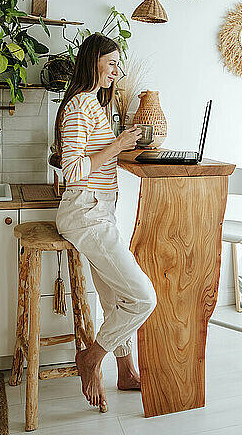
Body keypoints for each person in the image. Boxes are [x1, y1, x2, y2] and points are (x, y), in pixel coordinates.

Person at [54, 32, 157, 410]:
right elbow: (73, 170)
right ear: (93, 62)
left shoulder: (98, 105)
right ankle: (92, 357)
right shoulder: (79, 105)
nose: (117, 70)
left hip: (101, 210)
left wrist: (126, 141)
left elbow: (99, 153)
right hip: (85, 211)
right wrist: (116, 145)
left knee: (115, 297)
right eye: (111, 63)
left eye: (118, 64)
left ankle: (126, 370)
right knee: (144, 297)